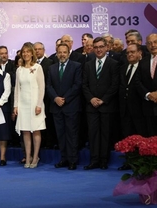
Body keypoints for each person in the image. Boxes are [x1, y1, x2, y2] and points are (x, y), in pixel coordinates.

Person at [82, 37, 119, 170]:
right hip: (91, 106)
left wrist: (103, 99)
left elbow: (115, 85)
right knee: (93, 134)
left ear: (107, 47)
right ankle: (94, 160)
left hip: (107, 106)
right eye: (96, 47)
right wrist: (91, 98)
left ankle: (104, 160)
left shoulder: (113, 64)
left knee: (105, 134)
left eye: (101, 47)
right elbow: (84, 85)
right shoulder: (88, 64)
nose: (98, 49)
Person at [47, 43, 82, 170]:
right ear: (56, 53)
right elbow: (48, 86)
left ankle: (73, 160)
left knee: (71, 134)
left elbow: (77, 85)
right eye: (60, 52)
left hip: (71, 106)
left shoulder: (76, 66)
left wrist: (65, 99)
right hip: (56, 107)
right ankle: (64, 159)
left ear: (68, 53)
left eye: (64, 52)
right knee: (60, 135)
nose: (62, 55)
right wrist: (56, 98)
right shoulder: (51, 68)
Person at [14, 42, 46, 168]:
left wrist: (39, 104)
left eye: (28, 51)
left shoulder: (38, 68)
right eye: (24, 52)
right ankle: (28, 157)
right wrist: (16, 106)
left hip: (35, 104)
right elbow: (17, 89)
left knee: (36, 130)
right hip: (23, 104)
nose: (26, 54)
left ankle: (36, 156)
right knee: (26, 131)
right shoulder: (19, 70)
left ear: (32, 53)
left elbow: (42, 88)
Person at [118, 43, 146, 171]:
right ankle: (129, 161)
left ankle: (141, 163)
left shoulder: (145, 68)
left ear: (140, 53)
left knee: (141, 137)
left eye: (132, 52)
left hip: (140, 110)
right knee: (127, 136)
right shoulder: (123, 68)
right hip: (125, 109)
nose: (130, 55)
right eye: (128, 53)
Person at [33, 42, 56, 149]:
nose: (37, 51)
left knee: (48, 120)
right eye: (35, 49)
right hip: (33, 98)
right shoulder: (31, 64)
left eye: (39, 49)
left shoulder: (50, 62)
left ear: (44, 50)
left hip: (47, 97)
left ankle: (48, 142)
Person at [135, 33, 157, 136]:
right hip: (148, 107)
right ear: (146, 46)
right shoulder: (142, 62)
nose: (153, 45)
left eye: (155, 42)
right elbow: (138, 81)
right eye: (149, 43)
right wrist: (148, 94)